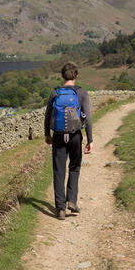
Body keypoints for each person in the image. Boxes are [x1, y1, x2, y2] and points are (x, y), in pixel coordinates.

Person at [44, 62, 92, 220]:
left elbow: (47, 115)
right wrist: (90, 140)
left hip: (58, 135)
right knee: (75, 167)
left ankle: (60, 208)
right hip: (75, 135)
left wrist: (47, 134)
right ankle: (71, 200)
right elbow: (88, 119)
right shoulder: (81, 93)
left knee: (58, 171)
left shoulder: (55, 93)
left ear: (62, 76)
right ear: (76, 75)